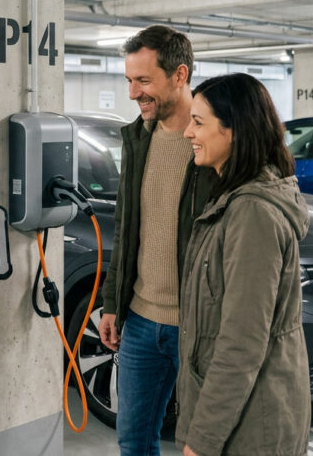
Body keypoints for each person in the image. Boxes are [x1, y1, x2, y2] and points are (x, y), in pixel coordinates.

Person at [97, 25, 216, 455]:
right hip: (142, 322)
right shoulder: (137, 139)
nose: (133, 93)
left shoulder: (214, 144)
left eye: (143, 81)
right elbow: (128, 227)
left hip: (198, 326)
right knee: (133, 441)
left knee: (199, 443)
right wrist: (114, 303)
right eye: (129, 80)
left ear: (179, 74)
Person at [177, 73, 311, 456]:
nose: (188, 132)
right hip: (241, 417)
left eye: (198, 122)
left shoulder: (251, 212)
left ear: (234, 130)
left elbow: (241, 343)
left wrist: (201, 440)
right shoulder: (232, 197)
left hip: (252, 426)